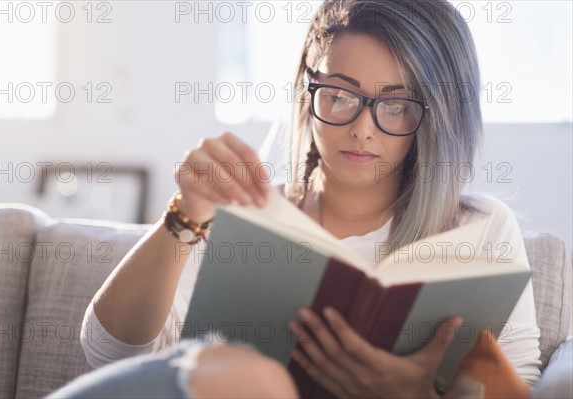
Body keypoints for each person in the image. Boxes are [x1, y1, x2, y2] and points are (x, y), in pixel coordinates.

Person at [49, 0, 541, 397]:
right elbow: (110, 355)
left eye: (396, 104)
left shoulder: (479, 230)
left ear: (436, 118)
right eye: (339, 95)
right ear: (308, 94)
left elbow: (520, 387)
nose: (362, 129)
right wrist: (186, 213)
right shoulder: (236, 214)